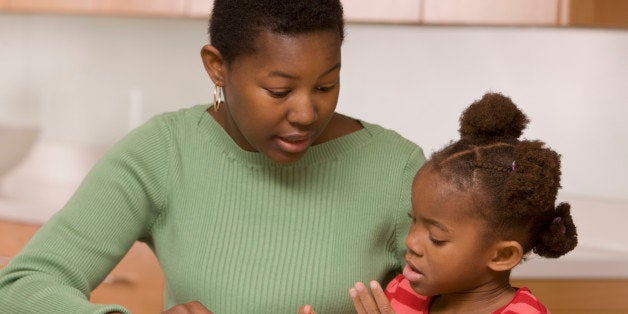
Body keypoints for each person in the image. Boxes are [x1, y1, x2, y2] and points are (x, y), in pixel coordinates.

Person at [0, 0, 426, 313]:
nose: (306, 113)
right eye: (278, 91)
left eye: (325, 86)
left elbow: (482, 299)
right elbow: (21, 287)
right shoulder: (165, 152)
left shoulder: (396, 169)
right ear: (216, 66)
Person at [346, 93, 578, 313]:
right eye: (414, 221)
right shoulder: (403, 292)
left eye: (436, 238)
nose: (410, 241)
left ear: (502, 255)